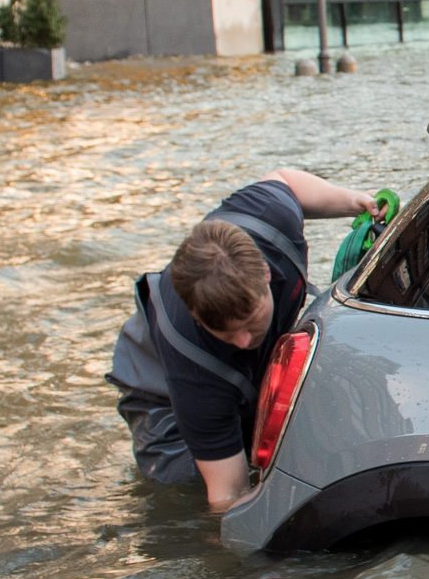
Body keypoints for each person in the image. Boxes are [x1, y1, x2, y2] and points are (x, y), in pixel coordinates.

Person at [112, 169, 377, 512]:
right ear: (197, 315)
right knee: (183, 495)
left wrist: (352, 201)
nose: (242, 341)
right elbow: (228, 494)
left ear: (266, 275)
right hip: (160, 389)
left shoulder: (269, 214)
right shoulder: (194, 367)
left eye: (251, 323)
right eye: (226, 332)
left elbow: (286, 182)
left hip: (219, 366)